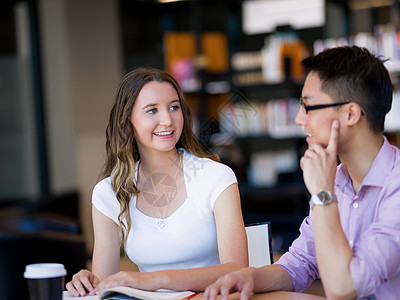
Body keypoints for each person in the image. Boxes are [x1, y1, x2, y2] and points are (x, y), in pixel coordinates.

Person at [203, 46, 400, 300]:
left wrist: (322, 195)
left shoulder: (389, 185)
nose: (299, 119)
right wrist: (249, 277)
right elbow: (301, 263)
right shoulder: (334, 177)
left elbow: (344, 288)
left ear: (350, 113)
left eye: (308, 106)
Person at [66, 67, 248, 297]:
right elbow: (105, 284)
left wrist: (155, 279)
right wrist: (88, 281)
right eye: (152, 110)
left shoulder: (216, 177)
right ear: (127, 121)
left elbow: (237, 270)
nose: (167, 120)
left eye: (174, 107)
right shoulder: (107, 193)